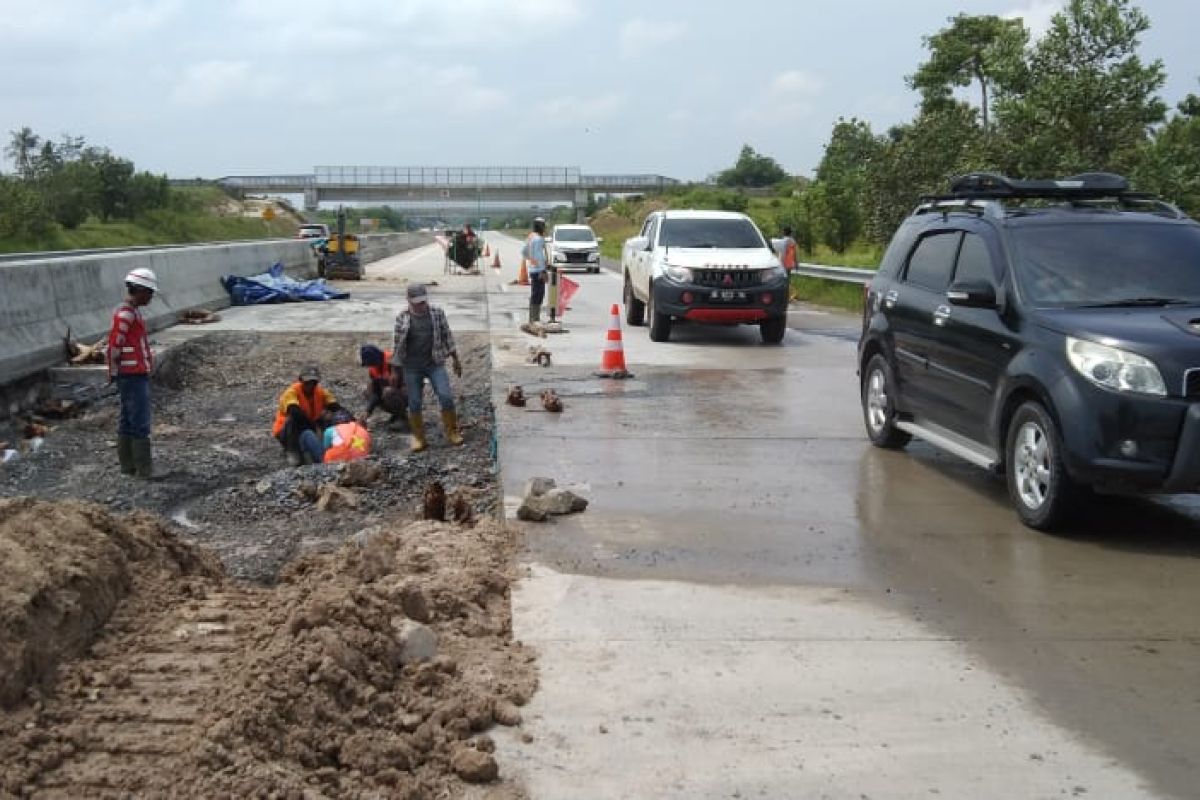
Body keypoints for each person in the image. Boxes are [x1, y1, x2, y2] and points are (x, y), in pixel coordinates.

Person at [391, 283, 464, 452]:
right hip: (412, 367)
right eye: (416, 303)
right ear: (408, 300)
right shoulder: (402, 318)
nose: (420, 306)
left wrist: (455, 359)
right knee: (415, 402)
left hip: (434, 363)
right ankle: (418, 437)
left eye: (423, 302)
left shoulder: (437, 314)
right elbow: (397, 346)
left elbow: (448, 336)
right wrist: (395, 370)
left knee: (445, 396)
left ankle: (452, 431)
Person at [107, 267, 160, 479]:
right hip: (131, 375)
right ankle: (143, 470)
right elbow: (114, 346)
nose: (151, 297)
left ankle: (128, 467)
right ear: (138, 290)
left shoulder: (131, 312)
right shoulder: (126, 314)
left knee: (128, 420)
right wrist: (112, 371)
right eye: (149, 292)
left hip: (132, 374)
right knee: (139, 420)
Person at [272, 365, 345, 465]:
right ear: (301, 381)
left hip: (307, 427)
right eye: (307, 382)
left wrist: (351, 422)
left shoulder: (321, 392)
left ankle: (335, 447)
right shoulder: (291, 392)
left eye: (313, 383)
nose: (310, 386)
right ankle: (291, 450)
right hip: (287, 431)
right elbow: (294, 411)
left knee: (330, 416)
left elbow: (336, 407)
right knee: (293, 419)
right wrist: (312, 426)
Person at [359, 344, 406, 426]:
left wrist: (388, 384)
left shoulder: (392, 361)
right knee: (368, 391)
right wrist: (368, 411)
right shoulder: (373, 369)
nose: (371, 365)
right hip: (394, 392)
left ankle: (403, 419)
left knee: (388, 392)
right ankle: (396, 415)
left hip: (409, 391)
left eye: (372, 363)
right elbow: (376, 392)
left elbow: (406, 381)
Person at [521, 218, 549, 322]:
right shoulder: (539, 239)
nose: (545, 227)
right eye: (543, 225)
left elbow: (523, 252)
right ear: (541, 226)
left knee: (535, 292)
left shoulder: (530, 237)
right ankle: (534, 318)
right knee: (539, 294)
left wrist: (531, 260)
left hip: (532, 269)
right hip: (538, 271)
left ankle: (532, 317)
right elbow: (539, 256)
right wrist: (543, 270)